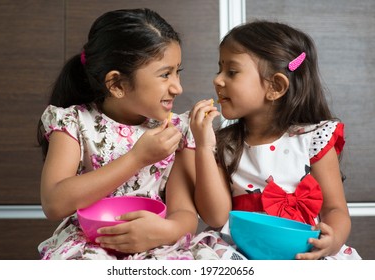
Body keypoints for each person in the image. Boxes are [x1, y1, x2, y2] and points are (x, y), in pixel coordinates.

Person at [36, 8, 240, 260]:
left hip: (158, 243)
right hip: (90, 244)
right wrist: (137, 158)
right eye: (165, 74)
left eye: (178, 71)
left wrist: (165, 230)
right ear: (118, 84)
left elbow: (185, 214)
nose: (177, 87)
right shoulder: (73, 122)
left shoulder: (175, 130)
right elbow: (54, 203)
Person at [190, 20, 361, 260]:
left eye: (231, 71)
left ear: (276, 86)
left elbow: (334, 208)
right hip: (239, 249)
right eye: (219, 69)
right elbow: (216, 217)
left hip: (302, 248)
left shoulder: (313, 138)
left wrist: (332, 241)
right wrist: (204, 148)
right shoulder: (222, 144)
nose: (217, 80)